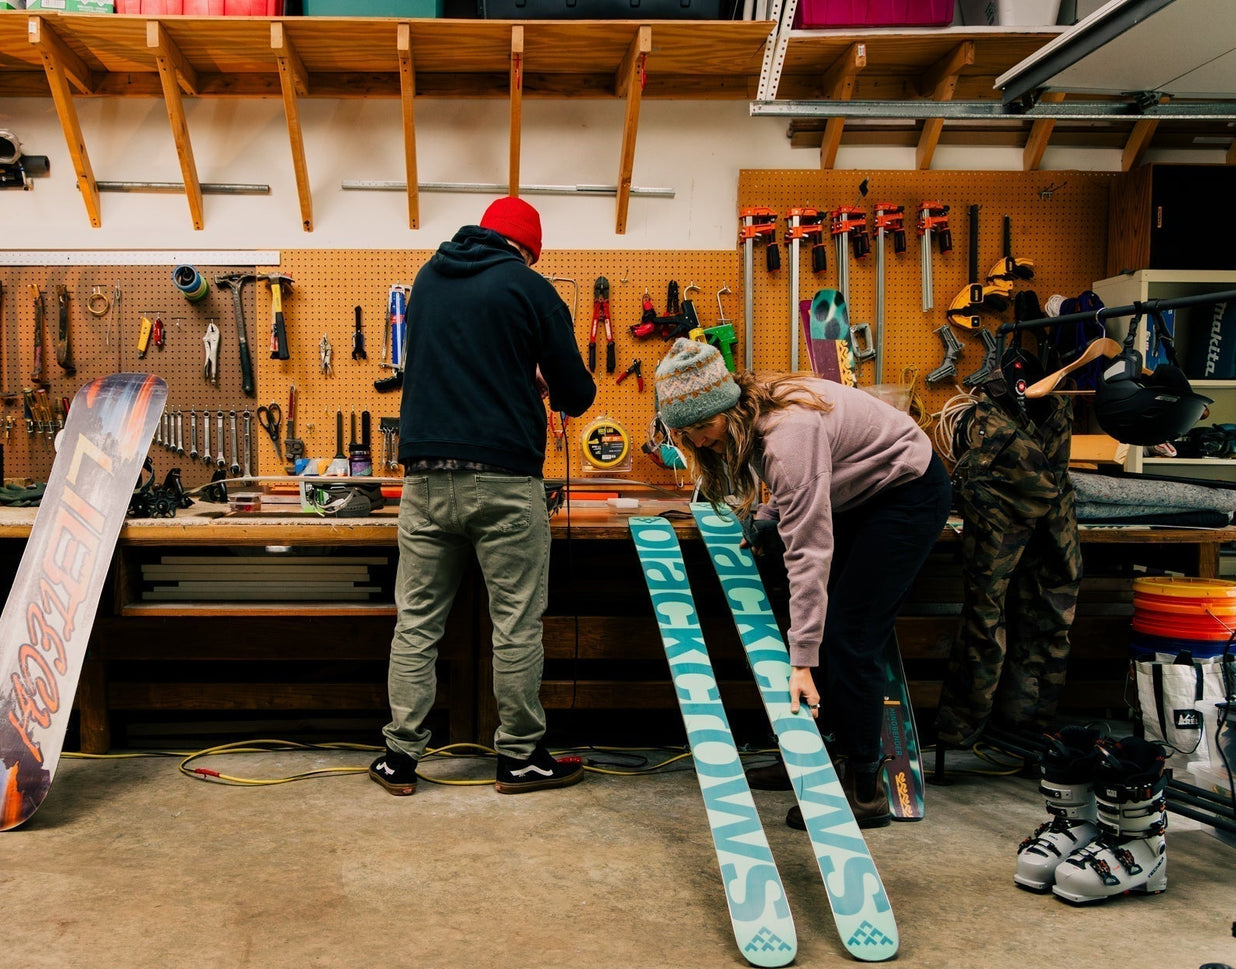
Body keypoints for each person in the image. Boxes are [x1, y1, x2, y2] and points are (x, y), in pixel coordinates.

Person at [652, 338, 951, 828]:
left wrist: (802, 661)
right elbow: (809, 488)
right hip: (860, 489)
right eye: (687, 433)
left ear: (729, 407)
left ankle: (864, 788)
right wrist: (772, 517)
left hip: (905, 492)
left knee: (850, 637)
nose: (701, 441)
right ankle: (815, 760)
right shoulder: (750, 412)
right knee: (805, 586)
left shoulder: (787, 433)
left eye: (705, 426)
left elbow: (810, 549)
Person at [369, 196, 597, 797]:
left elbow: (454, 365)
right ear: (526, 249)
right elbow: (575, 394)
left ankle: (398, 758)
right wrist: (540, 378)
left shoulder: (426, 280)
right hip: (503, 481)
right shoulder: (530, 288)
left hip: (422, 479)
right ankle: (520, 759)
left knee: (416, 624)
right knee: (516, 625)